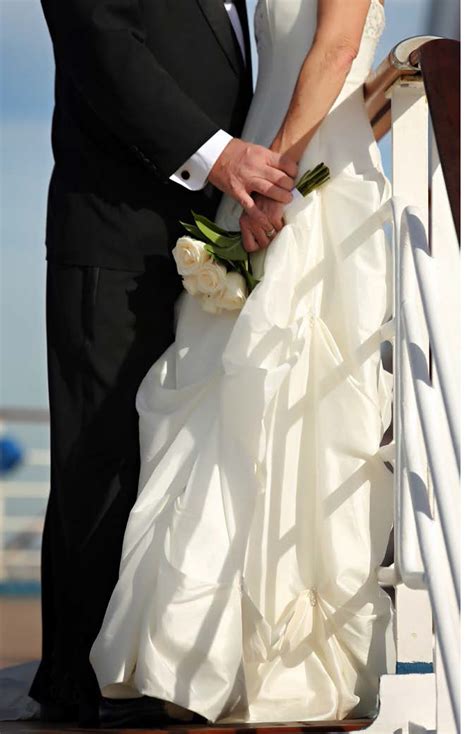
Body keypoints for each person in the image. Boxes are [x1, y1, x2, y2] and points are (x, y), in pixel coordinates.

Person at [90, 0, 395, 726]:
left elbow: (336, 50)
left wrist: (277, 180)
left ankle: (281, 657)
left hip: (297, 184)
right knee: (220, 407)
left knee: (295, 404)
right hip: (257, 172)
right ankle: (197, 652)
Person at [30, 0, 298, 725]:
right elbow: (100, 43)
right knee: (105, 451)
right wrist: (217, 154)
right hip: (115, 240)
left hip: (218, 240)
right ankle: (78, 678)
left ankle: (153, 665)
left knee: (183, 455)